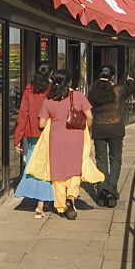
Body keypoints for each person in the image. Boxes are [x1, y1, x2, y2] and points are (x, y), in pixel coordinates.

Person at [37, 70, 94, 219]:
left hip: (56, 140)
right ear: (69, 82)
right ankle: (72, 197)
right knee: (75, 170)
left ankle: (61, 206)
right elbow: (90, 117)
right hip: (76, 138)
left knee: (58, 173)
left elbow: (41, 124)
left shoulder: (49, 100)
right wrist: (86, 131)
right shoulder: (78, 96)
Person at [87, 64, 135, 207]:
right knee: (115, 159)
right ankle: (111, 190)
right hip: (116, 129)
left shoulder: (93, 92)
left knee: (101, 161)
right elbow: (131, 87)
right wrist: (130, 79)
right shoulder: (119, 90)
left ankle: (103, 194)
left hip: (99, 129)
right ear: (112, 77)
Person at [13, 61, 54, 217]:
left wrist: (18, 137)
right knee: (47, 166)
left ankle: (38, 198)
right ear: (51, 73)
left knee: (32, 164)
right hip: (48, 132)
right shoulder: (53, 90)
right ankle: (42, 202)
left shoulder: (29, 89)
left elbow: (23, 114)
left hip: (32, 133)